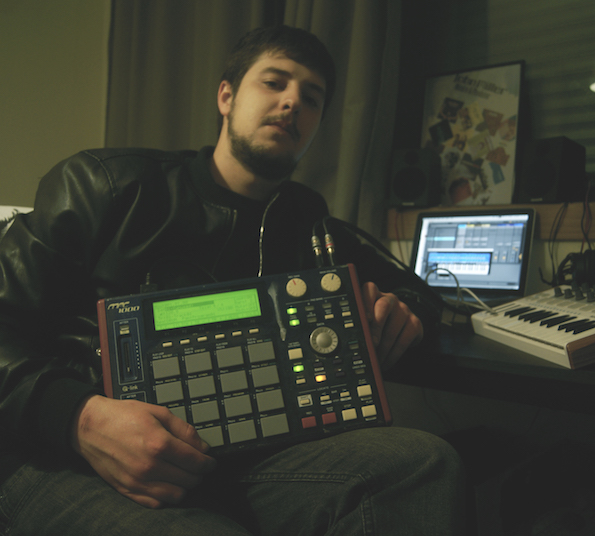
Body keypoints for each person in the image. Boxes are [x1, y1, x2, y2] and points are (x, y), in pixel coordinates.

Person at [0, 25, 464, 535]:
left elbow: (417, 289)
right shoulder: (106, 184)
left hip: (240, 463)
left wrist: (406, 311)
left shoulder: (309, 223)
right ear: (226, 96)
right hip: (69, 457)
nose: (292, 102)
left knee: (422, 464)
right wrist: (78, 417)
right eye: (274, 82)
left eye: (311, 98)